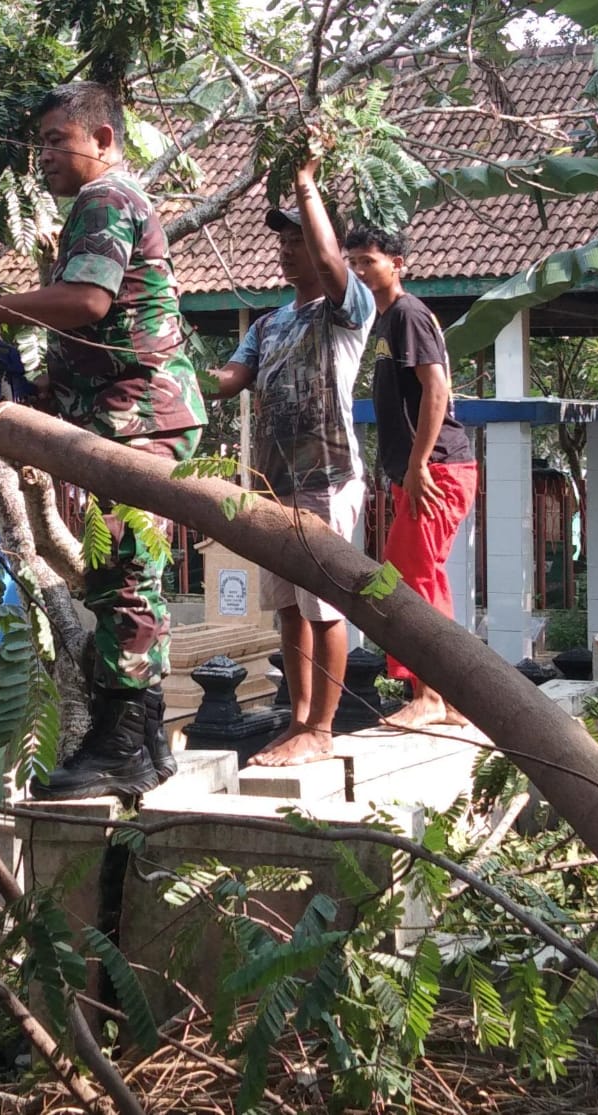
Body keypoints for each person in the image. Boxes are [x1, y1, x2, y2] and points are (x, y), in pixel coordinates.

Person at [0, 81, 207, 800]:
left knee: (123, 571)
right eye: (40, 145)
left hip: (138, 414)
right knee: (125, 569)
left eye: (58, 141)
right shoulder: (102, 207)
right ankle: (146, 737)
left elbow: (88, 302)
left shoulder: (107, 198)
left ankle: (119, 741)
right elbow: (91, 325)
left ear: (103, 140)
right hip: (124, 411)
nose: (44, 158)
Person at [207, 152, 375, 767]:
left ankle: (322, 727)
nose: (287, 249)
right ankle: (298, 716)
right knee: (287, 605)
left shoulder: (349, 309)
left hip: (326, 478)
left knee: (323, 605)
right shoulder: (270, 323)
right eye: (282, 240)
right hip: (274, 485)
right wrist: (172, 375)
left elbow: (333, 264)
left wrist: (307, 184)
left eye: (299, 239)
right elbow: (229, 379)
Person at [344, 226, 477, 728]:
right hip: (424, 469)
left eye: (368, 261)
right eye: (352, 261)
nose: (358, 270)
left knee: (408, 578)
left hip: (438, 467)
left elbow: (437, 388)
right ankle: (448, 694)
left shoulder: (407, 314)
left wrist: (420, 463)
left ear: (397, 262)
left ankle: (430, 695)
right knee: (425, 577)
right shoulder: (385, 319)